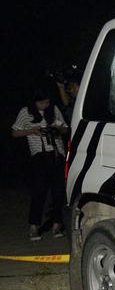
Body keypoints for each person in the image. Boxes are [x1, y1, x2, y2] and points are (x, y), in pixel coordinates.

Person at [10, 88, 69, 241]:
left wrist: (57, 128)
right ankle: (34, 227)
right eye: (42, 102)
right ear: (35, 102)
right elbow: (14, 132)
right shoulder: (26, 112)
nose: (45, 104)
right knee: (39, 192)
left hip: (57, 154)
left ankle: (57, 225)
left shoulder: (53, 109)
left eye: (48, 102)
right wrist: (32, 131)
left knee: (58, 192)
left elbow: (65, 129)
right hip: (39, 156)